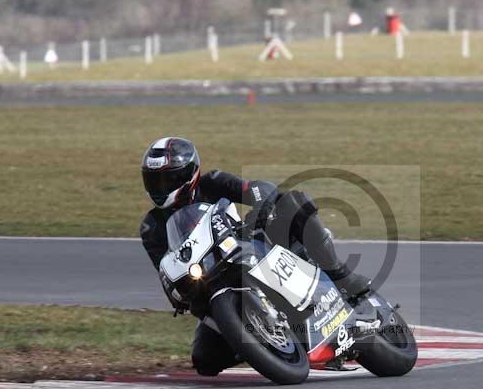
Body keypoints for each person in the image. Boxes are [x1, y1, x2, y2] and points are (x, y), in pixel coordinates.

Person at [139, 136, 370, 375]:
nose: (161, 186)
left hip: (250, 247)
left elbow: (260, 189)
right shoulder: (151, 227)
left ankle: (341, 275)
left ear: (189, 173)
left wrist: (259, 215)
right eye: (154, 180)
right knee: (205, 360)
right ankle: (259, 342)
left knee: (292, 202)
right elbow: (165, 269)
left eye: (169, 179)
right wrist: (179, 293)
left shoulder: (213, 182)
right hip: (209, 284)